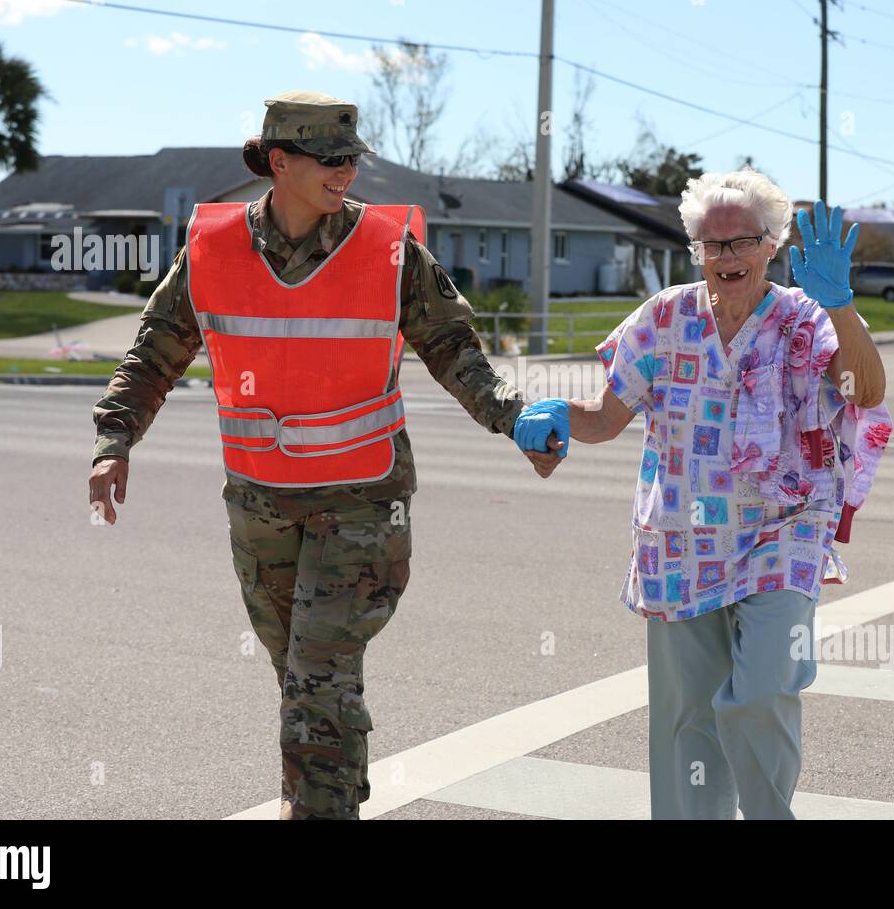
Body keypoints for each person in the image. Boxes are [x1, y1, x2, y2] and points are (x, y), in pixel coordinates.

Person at [87, 91, 568, 820]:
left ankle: (319, 808)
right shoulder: (212, 251)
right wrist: (114, 438)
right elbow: (153, 353)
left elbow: (456, 353)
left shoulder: (390, 250)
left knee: (320, 674)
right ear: (279, 163)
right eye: (331, 160)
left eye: (353, 159)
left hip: (363, 502)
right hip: (260, 505)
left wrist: (513, 418)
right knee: (300, 677)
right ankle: (314, 793)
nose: (347, 172)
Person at [547, 167, 893, 819]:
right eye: (714, 243)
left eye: (744, 241)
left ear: (773, 245)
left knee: (763, 689)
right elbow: (605, 416)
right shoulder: (663, 318)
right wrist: (545, 416)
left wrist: (841, 303)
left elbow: (865, 391)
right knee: (687, 722)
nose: (728, 256)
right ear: (697, 248)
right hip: (680, 538)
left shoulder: (805, 319)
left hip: (782, 530)